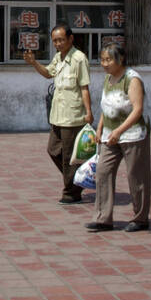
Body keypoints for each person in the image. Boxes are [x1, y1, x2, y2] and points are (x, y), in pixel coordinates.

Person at [25, 22, 93, 204]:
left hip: (73, 115)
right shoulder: (58, 57)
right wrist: (34, 63)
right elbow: (48, 73)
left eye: (61, 40)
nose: (58, 44)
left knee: (69, 155)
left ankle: (71, 193)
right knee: (54, 150)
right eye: (55, 41)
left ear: (71, 39)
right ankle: (79, 179)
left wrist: (89, 112)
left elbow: (84, 87)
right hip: (57, 114)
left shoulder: (79, 59)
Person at [87, 42, 151, 232]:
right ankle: (102, 218)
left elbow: (137, 110)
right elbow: (106, 106)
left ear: (120, 59)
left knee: (136, 177)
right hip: (110, 135)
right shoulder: (108, 78)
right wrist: (100, 128)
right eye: (102, 60)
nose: (104, 64)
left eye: (108, 59)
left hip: (132, 135)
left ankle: (140, 218)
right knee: (103, 172)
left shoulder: (132, 79)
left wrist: (119, 131)